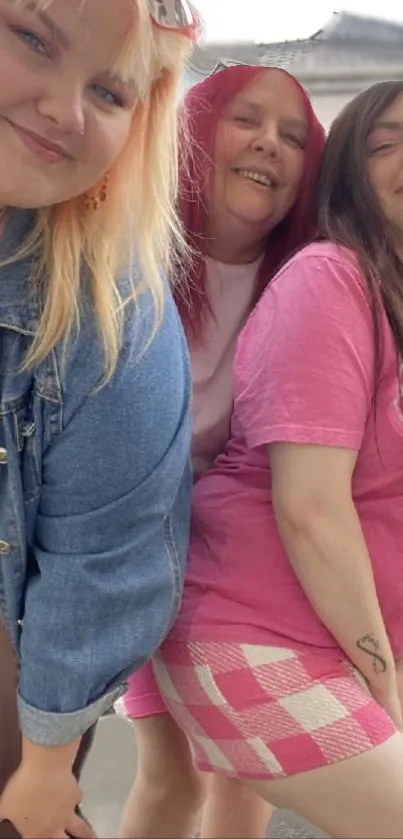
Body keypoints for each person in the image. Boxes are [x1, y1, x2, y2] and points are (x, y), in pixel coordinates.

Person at [152, 78, 403, 839]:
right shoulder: (329, 278)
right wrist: (385, 681)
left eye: (293, 134)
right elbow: (309, 506)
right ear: (349, 177)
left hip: (324, 629)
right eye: (388, 140)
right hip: (244, 625)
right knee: (170, 787)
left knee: (232, 810)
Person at [0, 1, 198, 837]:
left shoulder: (116, 318)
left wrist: (44, 767)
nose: (64, 108)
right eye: (33, 39)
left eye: (112, 93)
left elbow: (102, 565)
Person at [119, 63, 325, 839]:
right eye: (248, 119)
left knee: (246, 778)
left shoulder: (311, 281)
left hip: (242, 554)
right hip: (141, 540)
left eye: (294, 136)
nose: (269, 143)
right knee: (171, 774)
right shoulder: (129, 258)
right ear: (196, 128)